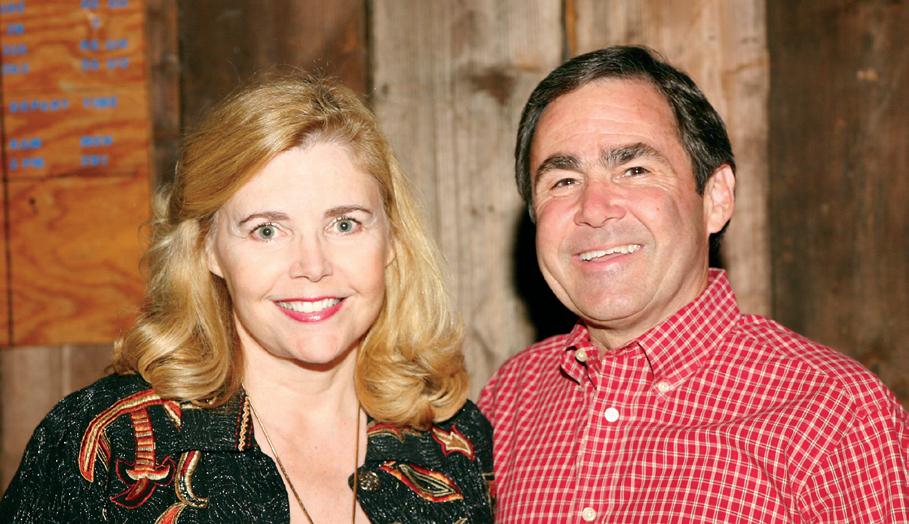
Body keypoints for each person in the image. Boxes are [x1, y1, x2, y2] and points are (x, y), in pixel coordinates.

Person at [1, 74, 494, 523]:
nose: (313, 265)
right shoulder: (110, 446)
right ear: (207, 248)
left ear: (392, 240)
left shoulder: (457, 445)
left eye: (344, 224)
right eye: (266, 230)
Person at [479, 45, 909, 522]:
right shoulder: (510, 398)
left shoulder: (837, 417)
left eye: (635, 170)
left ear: (716, 199)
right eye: (563, 181)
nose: (594, 209)